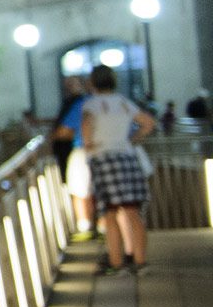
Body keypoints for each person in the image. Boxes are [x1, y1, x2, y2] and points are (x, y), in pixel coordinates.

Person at [82, 63, 158, 275]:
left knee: (110, 213)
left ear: (93, 82)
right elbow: (148, 123)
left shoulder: (92, 105)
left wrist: (90, 146)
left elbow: (87, 128)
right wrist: (131, 140)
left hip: (103, 159)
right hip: (126, 157)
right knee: (133, 212)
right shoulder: (123, 102)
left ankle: (117, 263)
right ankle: (140, 262)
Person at [53, 76, 95, 239]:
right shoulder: (119, 103)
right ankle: (102, 226)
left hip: (83, 150)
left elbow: (64, 131)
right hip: (109, 151)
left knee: (80, 190)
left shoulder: (82, 104)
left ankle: (85, 226)